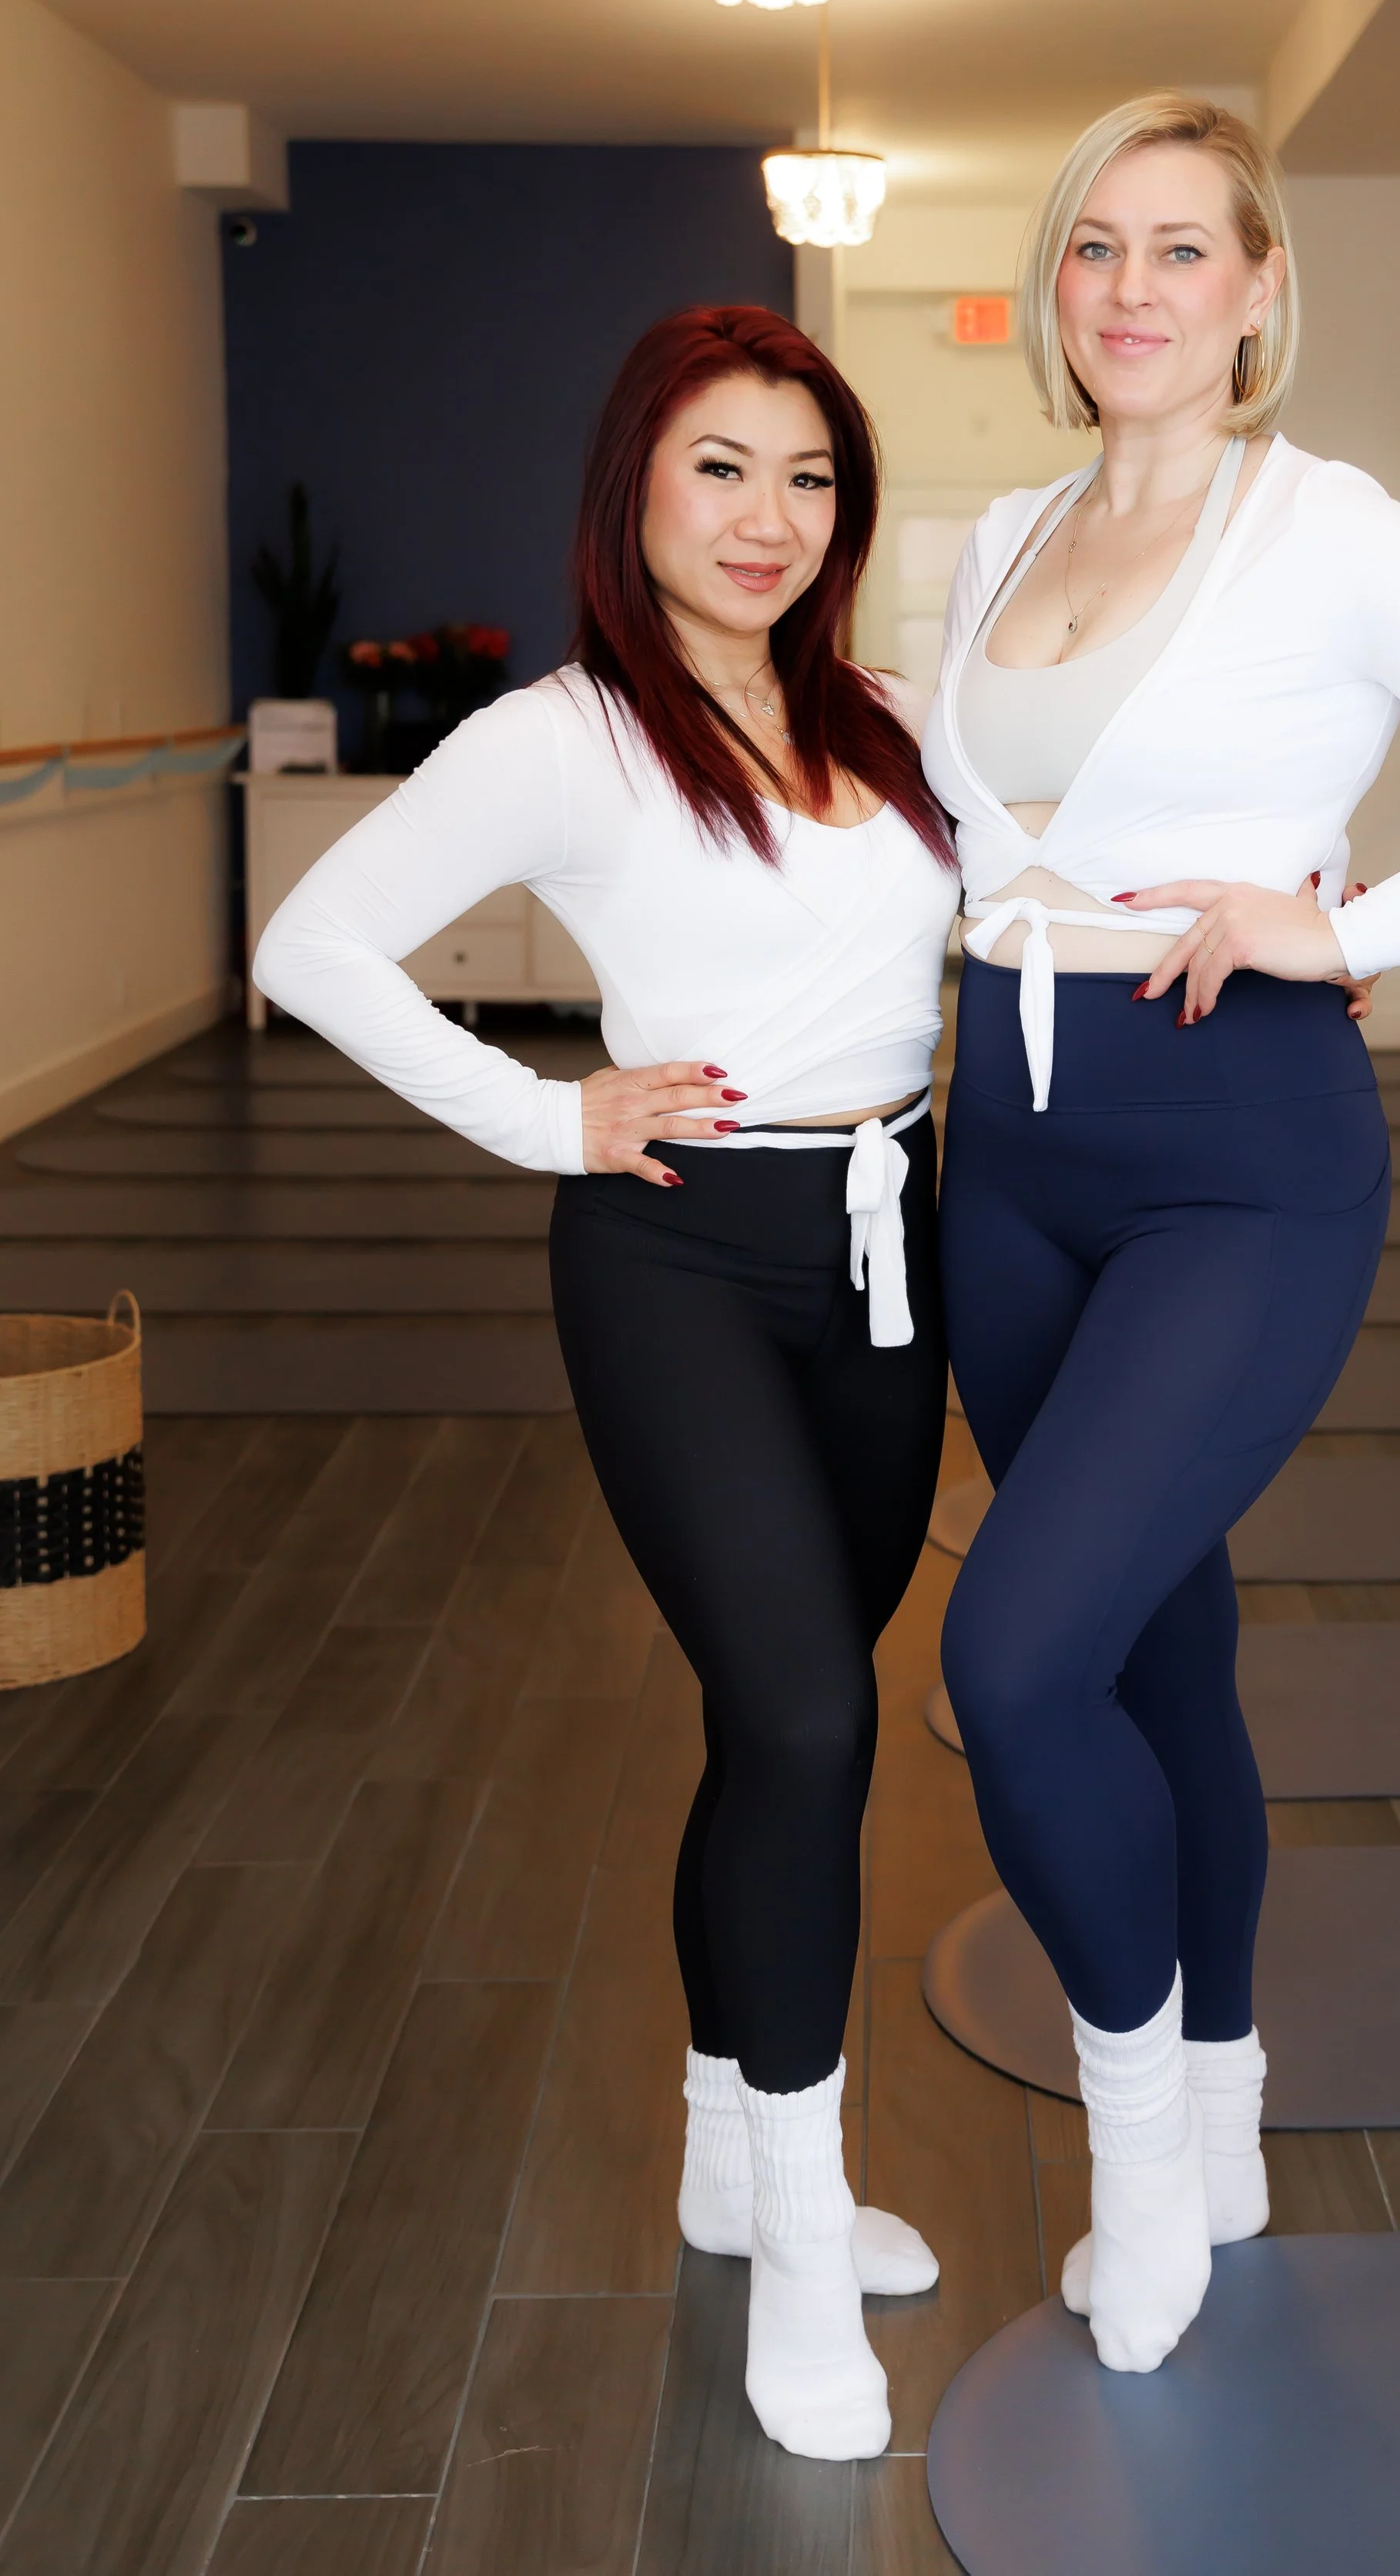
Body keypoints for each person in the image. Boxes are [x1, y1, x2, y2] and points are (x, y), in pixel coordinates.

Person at [924, 96, 1400, 2377]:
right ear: (1056, 292)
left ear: (1259, 290)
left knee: (1013, 1659)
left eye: (1180, 249)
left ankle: (1145, 2137)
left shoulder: (1327, 530)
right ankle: (1233, 2099)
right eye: (1092, 249)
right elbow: (969, 841)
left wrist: (1342, 921)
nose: (1131, 289)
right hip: (1011, 1149)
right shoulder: (996, 537)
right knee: (1157, 1659)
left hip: (1238, 1154)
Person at [254, 305, 960, 2464]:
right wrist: (547, 1118)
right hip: (672, 1245)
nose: (767, 516)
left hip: (884, 1240)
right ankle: (803, 2221)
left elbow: (1006, 918)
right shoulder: (566, 732)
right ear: (636, 487)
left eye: (808, 475)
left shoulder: (891, 715)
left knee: (788, 1723)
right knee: (812, 1714)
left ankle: (722, 2143)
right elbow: (307, 944)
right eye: (720, 468)